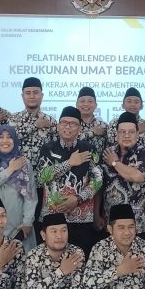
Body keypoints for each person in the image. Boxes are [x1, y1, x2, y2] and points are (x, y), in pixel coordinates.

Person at [35, 106, 103, 256]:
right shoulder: (48, 148)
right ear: (58, 126)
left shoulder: (89, 149)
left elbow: (98, 179)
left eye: (72, 123)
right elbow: (41, 177)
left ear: (80, 127)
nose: (68, 127)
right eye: (64, 122)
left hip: (81, 219)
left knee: (80, 260)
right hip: (52, 217)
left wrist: (78, 198)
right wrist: (69, 163)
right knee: (52, 262)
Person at [0, 124, 37, 250]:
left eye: (9, 137)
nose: (5, 141)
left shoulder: (23, 163)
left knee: (18, 256)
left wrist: (27, 222)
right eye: (1, 137)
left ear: (15, 140)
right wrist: (10, 170)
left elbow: (31, 196)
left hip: (18, 226)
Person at [101, 112, 145, 234]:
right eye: (122, 132)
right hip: (111, 222)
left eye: (131, 132)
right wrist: (96, 215)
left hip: (138, 223)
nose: (126, 135)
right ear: (116, 134)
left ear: (137, 134)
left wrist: (114, 163)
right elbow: (100, 185)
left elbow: (137, 176)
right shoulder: (107, 153)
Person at [9, 77, 58, 162]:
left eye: (36, 93)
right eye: (28, 93)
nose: (32, 96)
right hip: (17, 168)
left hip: (44, 169)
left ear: (42, 96)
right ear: (22, 96)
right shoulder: (13, 119)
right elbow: (9, 141)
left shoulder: (51, 121)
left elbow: (56, 148)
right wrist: (34, 126)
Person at [75, 86, 108, 155]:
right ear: (77, 105)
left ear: (95, 105)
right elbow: (70, 142)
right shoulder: (71, 125)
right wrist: (92, 133)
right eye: (82, 101)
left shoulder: (103, 126)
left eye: (90, 101)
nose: (86, 104)